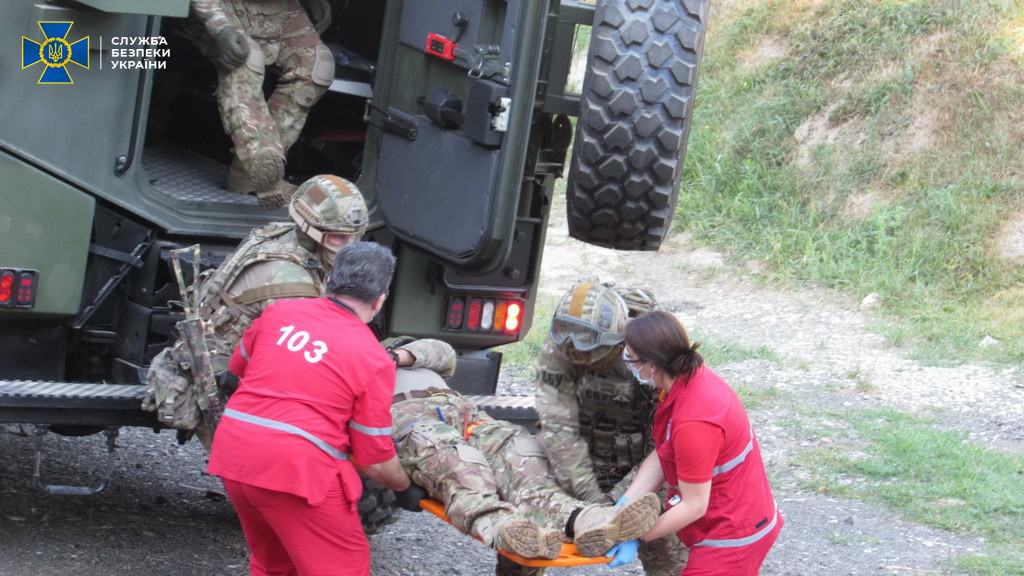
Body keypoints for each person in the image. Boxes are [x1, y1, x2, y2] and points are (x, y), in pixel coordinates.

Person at [144, 174, 447, 443]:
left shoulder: (279, 235)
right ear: (310, 231)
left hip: (234, 367)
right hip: (227, 388)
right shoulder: (290, 284)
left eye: (355, 236)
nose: (349, 246)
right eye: (338, 237)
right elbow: (311, 365)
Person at [207, 242, 425, 576]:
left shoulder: (279, 314)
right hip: (296, 472)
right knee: (345, 566)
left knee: (273, 565)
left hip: (235, 453)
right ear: (379, 301)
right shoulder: (372, 358)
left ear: (327, 284)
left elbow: (238, 367)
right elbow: (374, 459)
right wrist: (403, 488)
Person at [391, 368, 662, 560]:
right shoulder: (357, 355)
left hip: (464, 413)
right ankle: (506, 529)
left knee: (523, 459)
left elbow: (443, 353)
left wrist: (397, 354)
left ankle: (587, 520)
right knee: (461, 468)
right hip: (406, 416)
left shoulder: (400, 348)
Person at [609, 311, 782, 575]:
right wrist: (627, 502)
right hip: (727, 523)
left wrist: (638, 536)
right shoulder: (681, 382)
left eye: (630, 357)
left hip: (733, 534)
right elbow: (664, 451)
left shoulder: (695, 420)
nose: (628, 363)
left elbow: (694, 505)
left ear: (652, 364)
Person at [533, 280, 687, 575]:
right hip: (578, 460)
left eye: (592, 350)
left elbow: (668, 443)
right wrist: (593, 500)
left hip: (646, 466)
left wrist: (622, 502)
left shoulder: (655, 350)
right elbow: (557, 428)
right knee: (527, 538)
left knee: (671, 559)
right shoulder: (562, 342)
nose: (580, 357)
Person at [188, 0, 335, 207]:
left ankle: (249, 175)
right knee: (245, 60)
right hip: (221, 7)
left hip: (279, 9)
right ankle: (258, 163)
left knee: (317, 68)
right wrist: (219, 27)